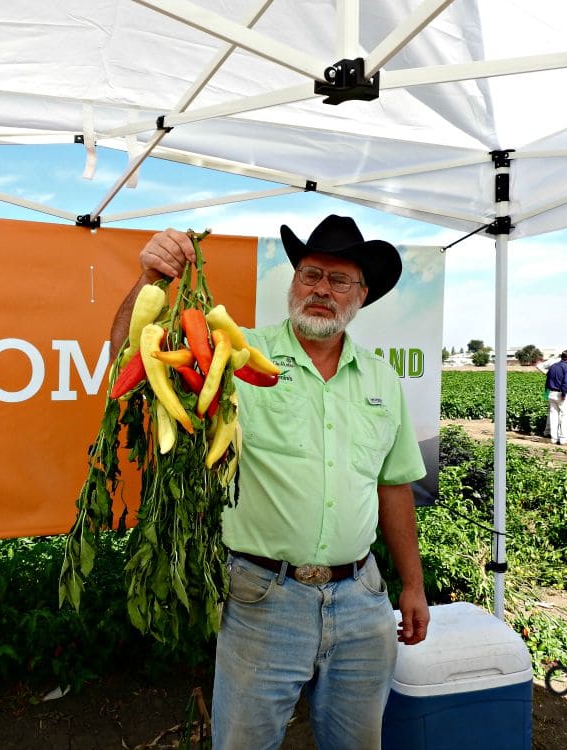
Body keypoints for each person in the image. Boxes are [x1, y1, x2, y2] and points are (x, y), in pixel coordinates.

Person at [109, 215, 429, 750]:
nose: (321, 289)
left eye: (338, 279)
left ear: (362, 294)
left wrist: (412, 585)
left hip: (364, 601)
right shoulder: (235, 352)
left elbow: (393, 486)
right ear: (293, 281)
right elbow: (129, 359)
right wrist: (152, 281)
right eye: (310, 274)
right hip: (265, 599)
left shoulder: (380, 377)